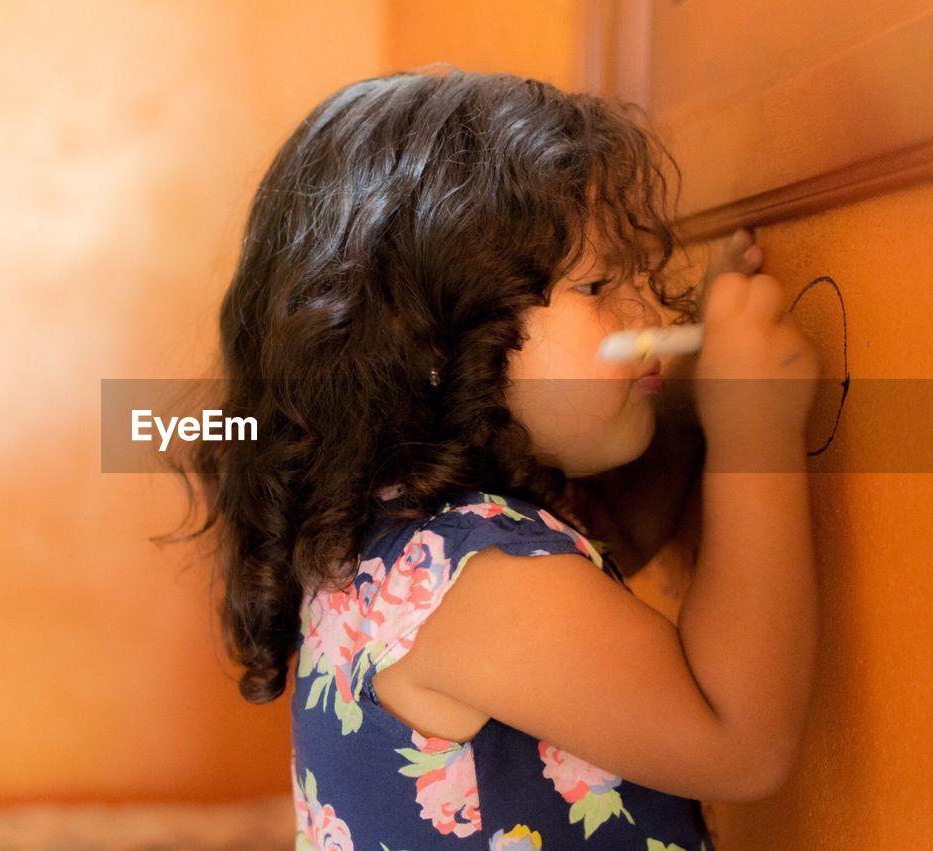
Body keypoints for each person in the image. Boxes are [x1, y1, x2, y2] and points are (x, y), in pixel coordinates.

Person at [158, 67, 820, 850]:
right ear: (436, 341)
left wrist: (685, 391)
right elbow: (738, 741)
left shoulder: (406, 531)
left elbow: (609, 546)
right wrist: (755, 436)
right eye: (603, 284)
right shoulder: (478, 581)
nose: (647, 314)